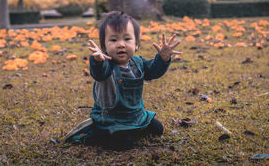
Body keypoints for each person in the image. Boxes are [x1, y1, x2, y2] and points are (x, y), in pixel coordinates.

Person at [64, 11, 181, 150]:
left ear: (136, 44)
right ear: (104, 47)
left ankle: (133, 129)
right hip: (111, 120)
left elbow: (153, 71)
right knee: (123, 143)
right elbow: (99, 74)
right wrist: (97, 61)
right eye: (113, 40)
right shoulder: (106, 65)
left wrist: (163, 59)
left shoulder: (138, 63)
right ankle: (94, 135)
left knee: (157, 128)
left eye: (127, 39)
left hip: (136, 116)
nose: (120, 44)